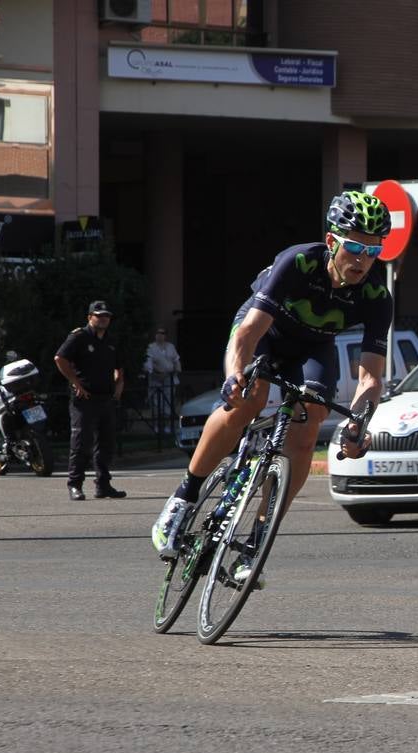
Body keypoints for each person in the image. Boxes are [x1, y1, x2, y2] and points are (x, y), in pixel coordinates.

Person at [150, 190, 393, 569]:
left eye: (373, 251)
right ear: (332, 241)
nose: (363, 259)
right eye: (354, 247)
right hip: (265, 332)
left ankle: (259, 535)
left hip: (313, 347)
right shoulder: (297, 262)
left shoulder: (377, 294)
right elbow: (247, 334)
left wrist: (358, 422)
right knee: (250, 398)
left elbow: (370, 378)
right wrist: (234, 377)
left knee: (311, 420)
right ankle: (184, 497)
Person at [54, 300, 127, 500]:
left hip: (106, 398)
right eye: (99, 315)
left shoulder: (111, 340)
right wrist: (75, 382)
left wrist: (119, 383)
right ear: (90, 317)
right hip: (84, 398)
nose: (103, 319)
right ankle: (75, 484)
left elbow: (119, 366)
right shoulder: (79, 337)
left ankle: (103, 485)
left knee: (106, 444)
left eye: (106, 316)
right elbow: (60, 358)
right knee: (81, 442)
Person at [143, 326, 182, 434]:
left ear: (165, 336)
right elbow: (148, 363)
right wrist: (155, 372)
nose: (160, 335)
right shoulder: (151, 347)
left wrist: (176, 370)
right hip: (155, 379)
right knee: (155, 403)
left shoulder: (170, 347)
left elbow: (176, 360)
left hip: (169, 378)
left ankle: (168, 426)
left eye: (162, 333)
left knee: (168, 403)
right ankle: (156, 426)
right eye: (158, 333)